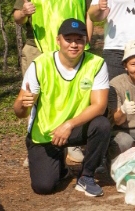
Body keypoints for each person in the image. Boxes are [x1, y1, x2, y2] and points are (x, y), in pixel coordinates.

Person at [13, 18, 110, 197]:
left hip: (74, 128)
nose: (74, 44)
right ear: (58, 40)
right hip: (45, 132)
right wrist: (21, 104)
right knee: (44, 187)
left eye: (79, 39)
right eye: (68, 39)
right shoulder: (40, 65)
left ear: (86, 41)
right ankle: (62, 167)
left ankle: (86, 176)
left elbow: (99, 106)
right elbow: (20, 113)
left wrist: (68, 125)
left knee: (102, 124)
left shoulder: (96, 64)